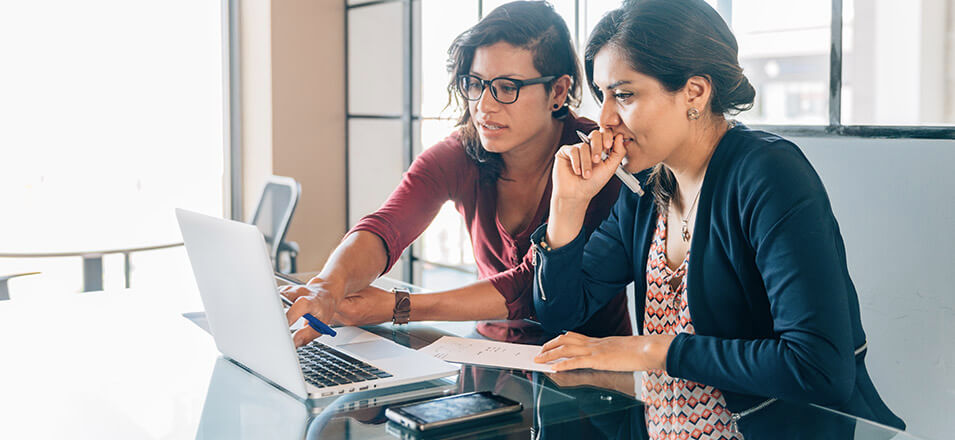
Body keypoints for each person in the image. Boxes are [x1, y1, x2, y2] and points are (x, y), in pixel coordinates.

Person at [529, 0, 905, 438]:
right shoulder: (647, 185)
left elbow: (818, 367)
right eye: (602, 95)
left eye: (625, 94)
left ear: (695, 92)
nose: (605, 119)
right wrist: (567, 206)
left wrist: (653, 349)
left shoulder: (768, 175)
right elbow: (560, 311)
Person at [282, 1, 630, 348]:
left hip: (588, 370)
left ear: (557, 91)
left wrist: (398, 306)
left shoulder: (598, 162)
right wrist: (327, 286)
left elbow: (529, 288)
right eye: (475, 83)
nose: (484, 105)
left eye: (507, 88)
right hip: (487, 351)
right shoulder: (463, 151)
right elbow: (386, 226)